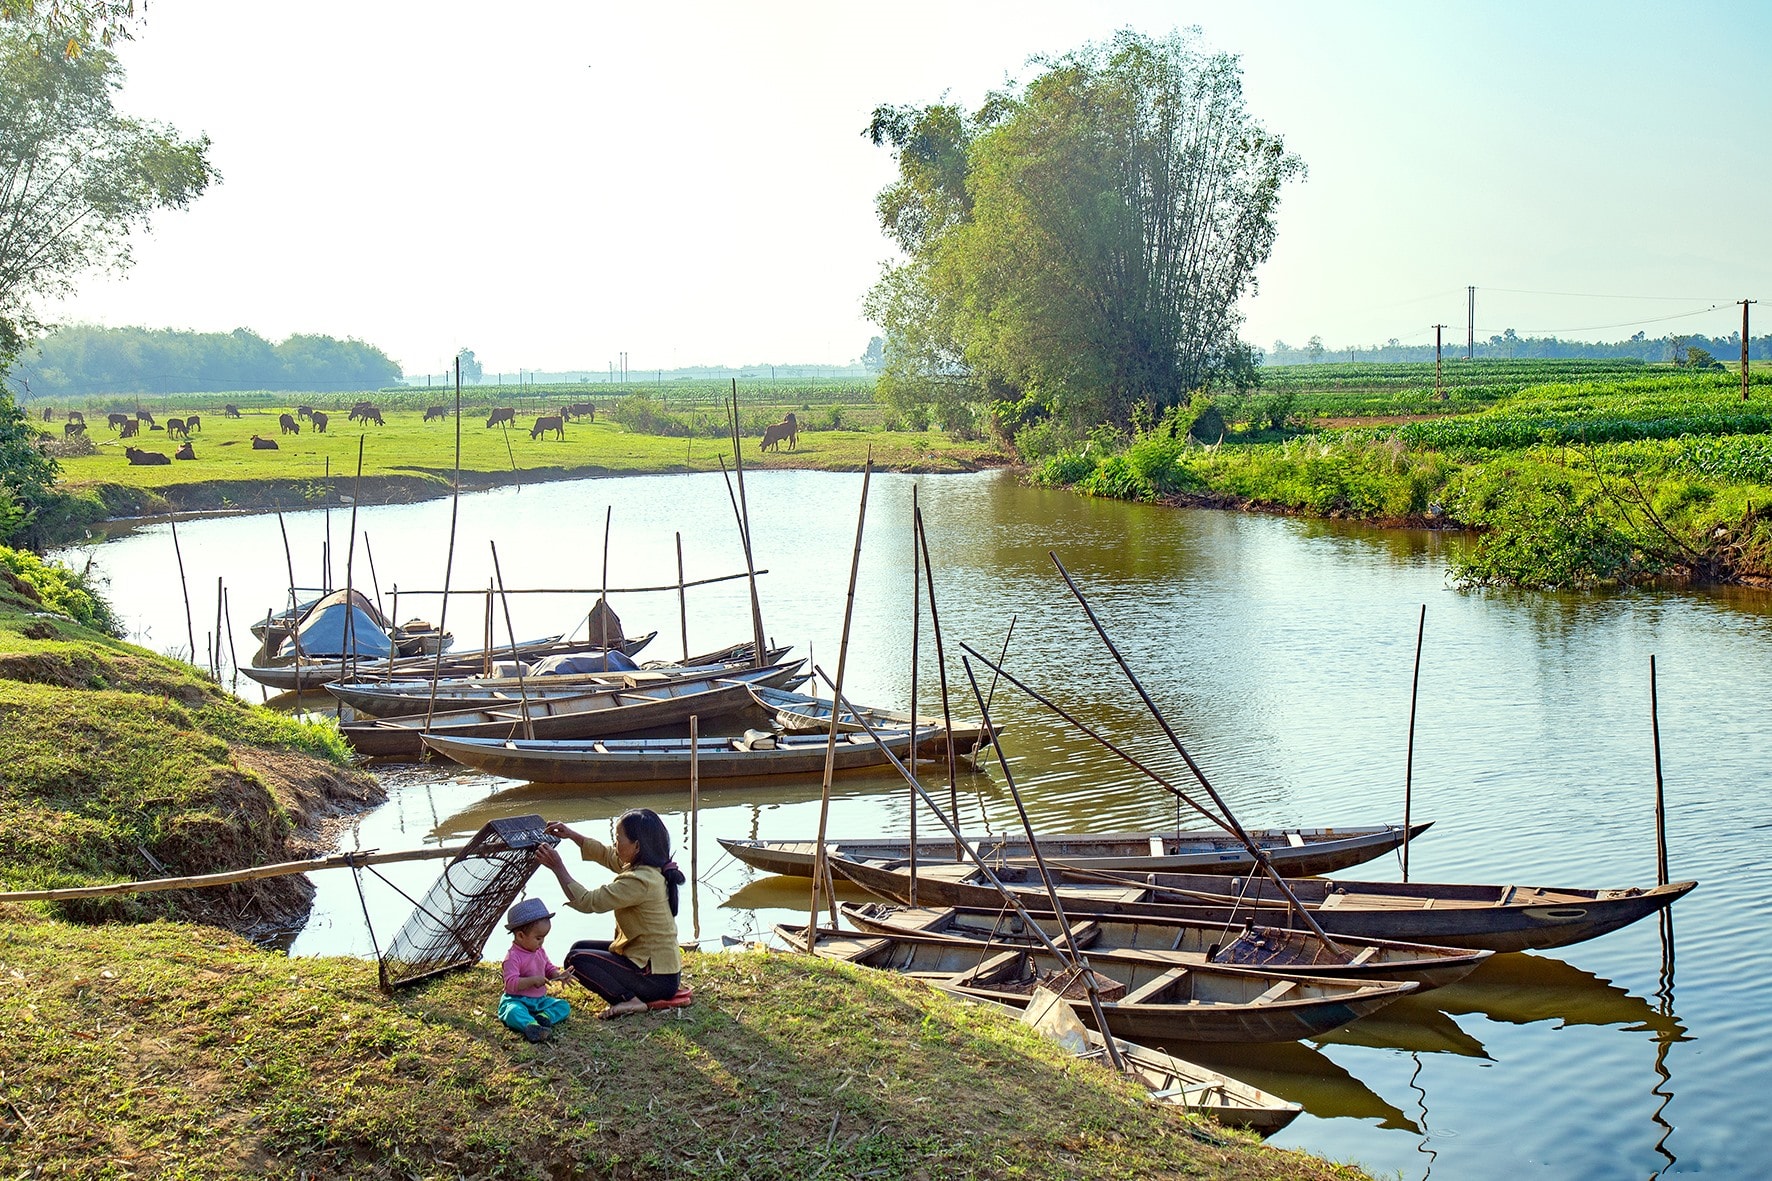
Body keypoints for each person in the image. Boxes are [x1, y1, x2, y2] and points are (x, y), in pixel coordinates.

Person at [537, 810, 685, 1019]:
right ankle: (630, 995)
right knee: (578, 949)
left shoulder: (639, 881)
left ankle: (629, 1000)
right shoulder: (650, 866)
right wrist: (572, 835)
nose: (615, 844)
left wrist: (557, 867)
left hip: (655, 978)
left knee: (576, 959)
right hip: (662, 972)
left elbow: (588, 902)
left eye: (617, 838)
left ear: (637, 845)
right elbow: (608, 855)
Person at [498, 896, 572, 1042]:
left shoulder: (539, 951)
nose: (542, 942)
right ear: (520, 936)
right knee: (512, 1012)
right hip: (516, 999)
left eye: (544, 938)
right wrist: (532, 981)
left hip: (539, 1001)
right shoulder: (512, 957)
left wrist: (558, 974)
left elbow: (548, 968)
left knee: (563, 1006)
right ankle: (531, 1026)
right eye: (538, 938)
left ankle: (543, 1017)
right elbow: (511, 984)